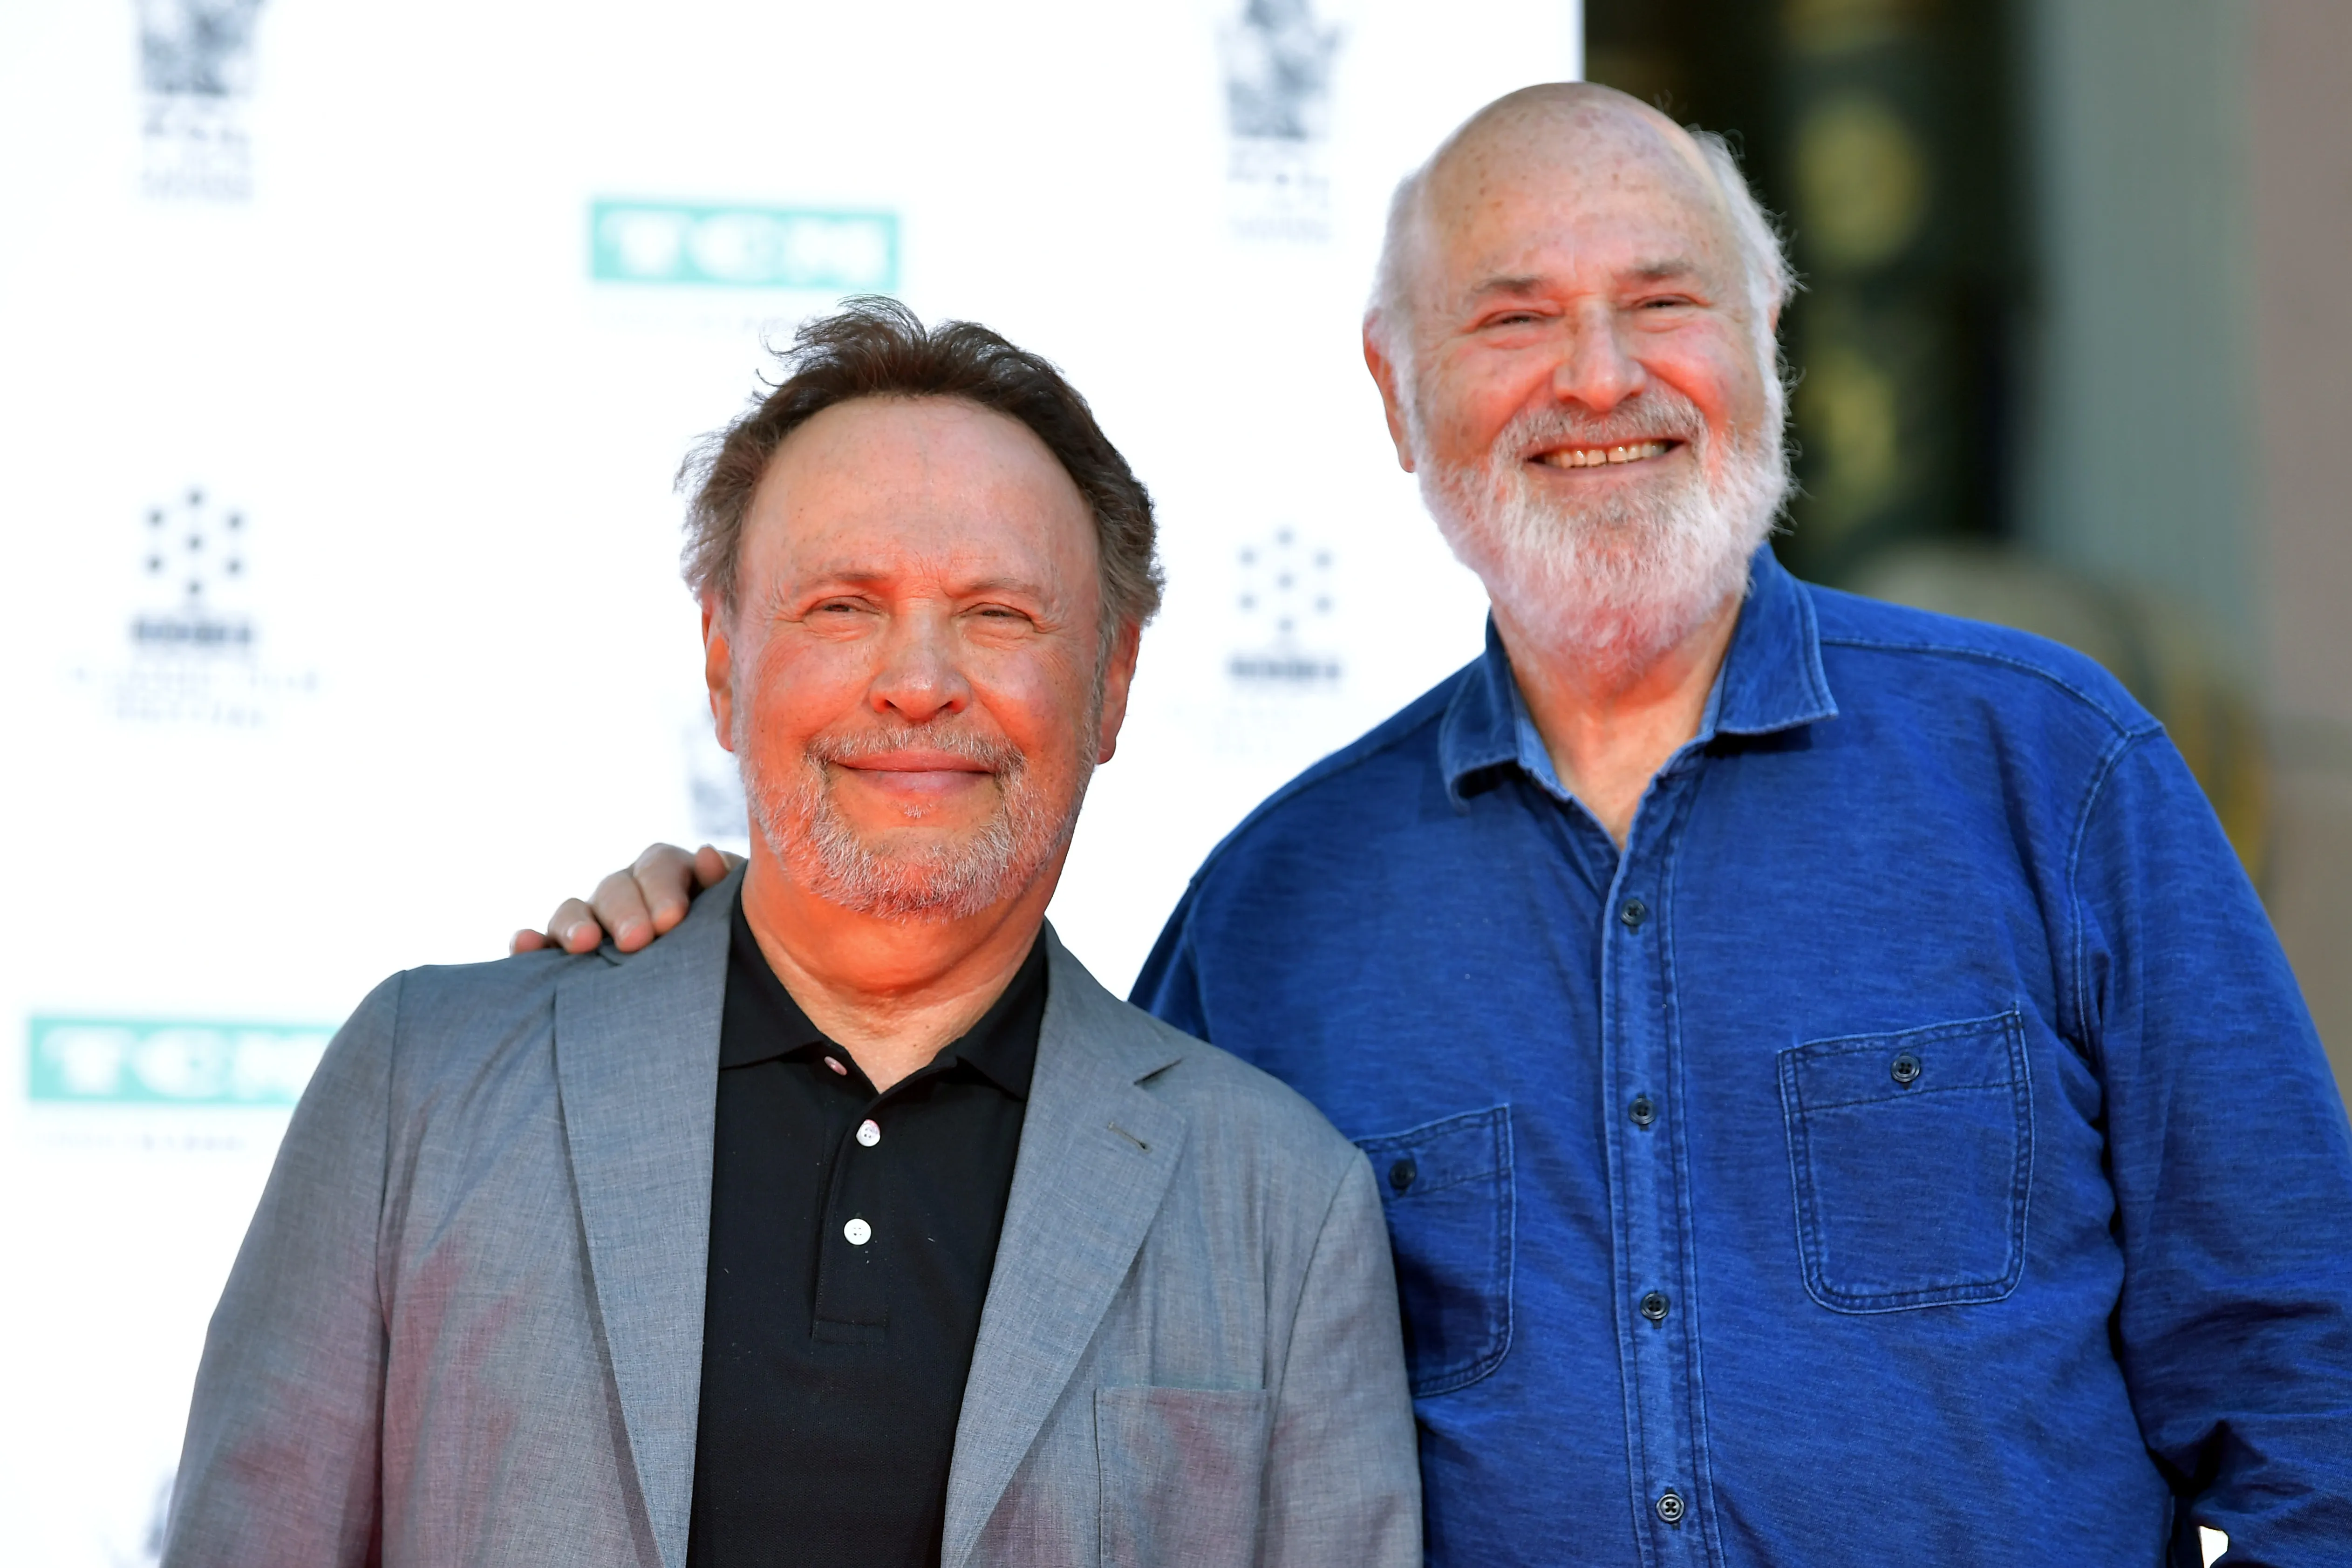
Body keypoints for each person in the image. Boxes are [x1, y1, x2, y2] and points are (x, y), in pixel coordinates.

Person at [528, 87, 2352, 1565]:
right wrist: (739, 959)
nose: (1597, 378)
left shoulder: (2047, 774)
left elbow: (2306, 1389)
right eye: (1511, 319)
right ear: (1398, 399)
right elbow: (1036, 1344)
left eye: (1659, 303)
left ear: (1764, 342)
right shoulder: (1272, 916)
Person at [164, 301, 1420, 1568]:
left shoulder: (1281, 1209)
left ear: (1112, 679)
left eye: (998, 613)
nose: (918, 680)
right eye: (841, 605)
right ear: (722, 659)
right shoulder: (419, 1091)